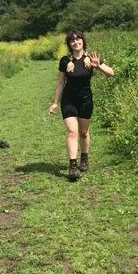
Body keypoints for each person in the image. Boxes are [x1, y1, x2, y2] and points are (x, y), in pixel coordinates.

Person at [49, 29, 114, 181]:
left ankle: (84, 158)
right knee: (72, 131)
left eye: (78, 39)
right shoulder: (65, 61)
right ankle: (73, 166)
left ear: (83, 41)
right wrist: (55, 103)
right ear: (69, 44)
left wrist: (98, 66)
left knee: (84, 133)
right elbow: (60, 83)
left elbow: (111, 73)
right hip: (69, 100)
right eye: (72, 40)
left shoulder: (91, 58)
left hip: (85, 100)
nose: (76, 42)